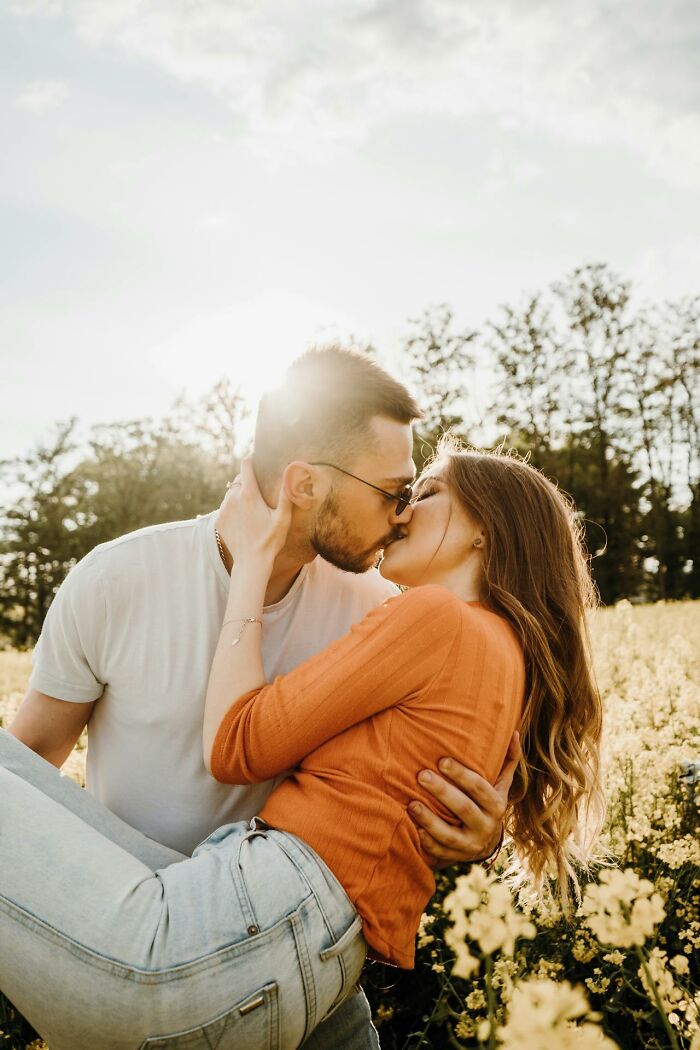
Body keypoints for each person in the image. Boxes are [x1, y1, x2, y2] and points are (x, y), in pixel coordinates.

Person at [0, 440, 604, 1050]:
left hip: (255, 924)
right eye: (397, 494)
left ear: (486, 530)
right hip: (317, 954)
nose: (401, 513)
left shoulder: (432, 616)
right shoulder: (506, 655)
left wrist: (252, 565)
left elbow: (236, 743)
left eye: (424, 494)